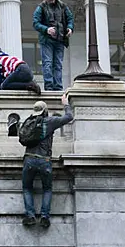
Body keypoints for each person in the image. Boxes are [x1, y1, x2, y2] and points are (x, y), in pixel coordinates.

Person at [21, 94, 73, 229]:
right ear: (45, 110)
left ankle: (30, 216)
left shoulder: (28, 122)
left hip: (29, 158)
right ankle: (44, 217)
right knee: (47, 189)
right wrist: (66, 104)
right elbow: (69, 117)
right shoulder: (49, 121)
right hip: (44, 160)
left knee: (27, 188)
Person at [32, 0, 74, 91]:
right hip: (47, 41)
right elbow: (35, 23)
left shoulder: (63, 6)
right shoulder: (41, 7)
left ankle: (58, 87)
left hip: (60, 39)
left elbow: (70, 18)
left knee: (58, 64)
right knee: (47, 63)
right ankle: (49, 87)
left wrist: (70, 28)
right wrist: (46, 29)